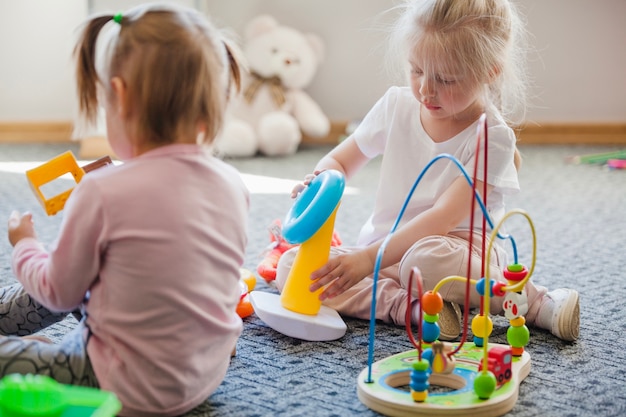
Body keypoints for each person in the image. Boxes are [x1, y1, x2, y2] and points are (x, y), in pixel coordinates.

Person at [276, 0, 579, 342]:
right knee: (292, 269)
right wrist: (319, 185)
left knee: (425, 260)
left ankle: (531, 299)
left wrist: (365, 260)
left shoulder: (493, 137)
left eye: (445, 79)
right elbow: (339, 162)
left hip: (457, 251)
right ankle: (411, 307)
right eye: (416, 70)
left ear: (489, 72)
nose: (425, 90)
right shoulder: (396, 105)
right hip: (387, 249)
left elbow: (442, 219)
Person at [4, 4, 248, 416]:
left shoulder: (102, 191)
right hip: (205, 372)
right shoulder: (232, 183)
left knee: (44, 274)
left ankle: (53, 360)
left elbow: (59, 293)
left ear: (118, 95)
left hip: (120, 386)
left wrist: (24, 246)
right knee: (70, 266)